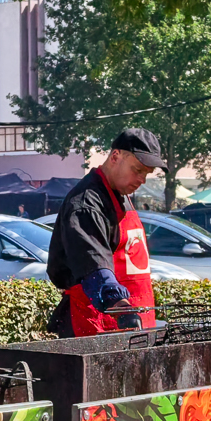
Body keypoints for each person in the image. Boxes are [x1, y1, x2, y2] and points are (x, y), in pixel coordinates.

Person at [46, 128, 164, 338]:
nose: (142, 180)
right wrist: (121, 307)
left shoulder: (121, 194)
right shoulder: (86, 204)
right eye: (137, 170)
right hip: (99, 325)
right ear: (115, 157)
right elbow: (94, 268)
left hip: (133, 324)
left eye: (146, 173)